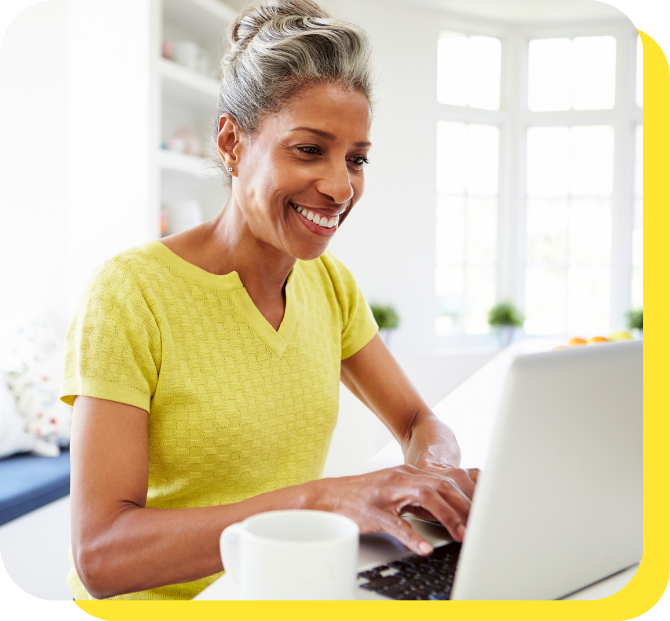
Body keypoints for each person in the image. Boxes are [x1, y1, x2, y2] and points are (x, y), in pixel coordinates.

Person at [60, 0, 479, 600]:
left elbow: (417, 420)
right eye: (309, 149)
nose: (340, 187)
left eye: (356, 158)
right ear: (232, 141)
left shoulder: (329, 286)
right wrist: (324, 500)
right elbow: (101, 554)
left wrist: (434, 476)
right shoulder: (131, 294)